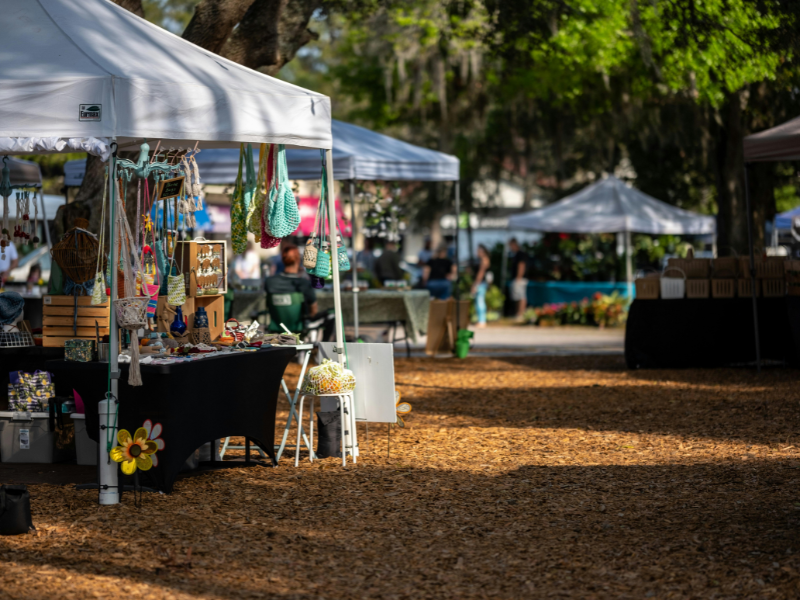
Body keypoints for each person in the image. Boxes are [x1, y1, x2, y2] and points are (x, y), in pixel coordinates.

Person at [264, 243, 318, 319]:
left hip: (276, 326)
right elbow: (313, 312)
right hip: (298, 327)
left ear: (283, 260)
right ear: (298, 260)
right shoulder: (303, 284)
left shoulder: (270, 282)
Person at [508, 238, 529, 320]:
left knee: (521, 296)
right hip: (518, 278)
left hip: (520, 279)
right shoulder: (517, 254)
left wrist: (518, 277)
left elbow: (521, 266)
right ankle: (518, 313)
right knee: (517, 297)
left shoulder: (520, 254)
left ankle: (521, 314)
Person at [471, 244, 491, 328]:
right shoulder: (484, 259)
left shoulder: (484, 260)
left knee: (480, 301)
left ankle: (482, 321)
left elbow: (481, 273)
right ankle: (481, 320)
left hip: (481, 283)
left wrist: (476, 284)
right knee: (479, 301)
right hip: (482, 283)